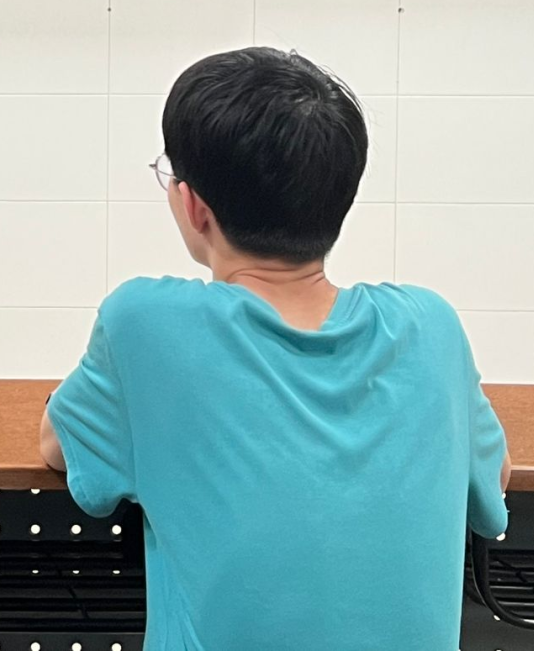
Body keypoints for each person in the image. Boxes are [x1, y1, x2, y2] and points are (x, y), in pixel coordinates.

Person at [40, 46, 509, 651]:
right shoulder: (431, 326)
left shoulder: (146, 324)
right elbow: (491, 478)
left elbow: (58, 445)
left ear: (193, 205)